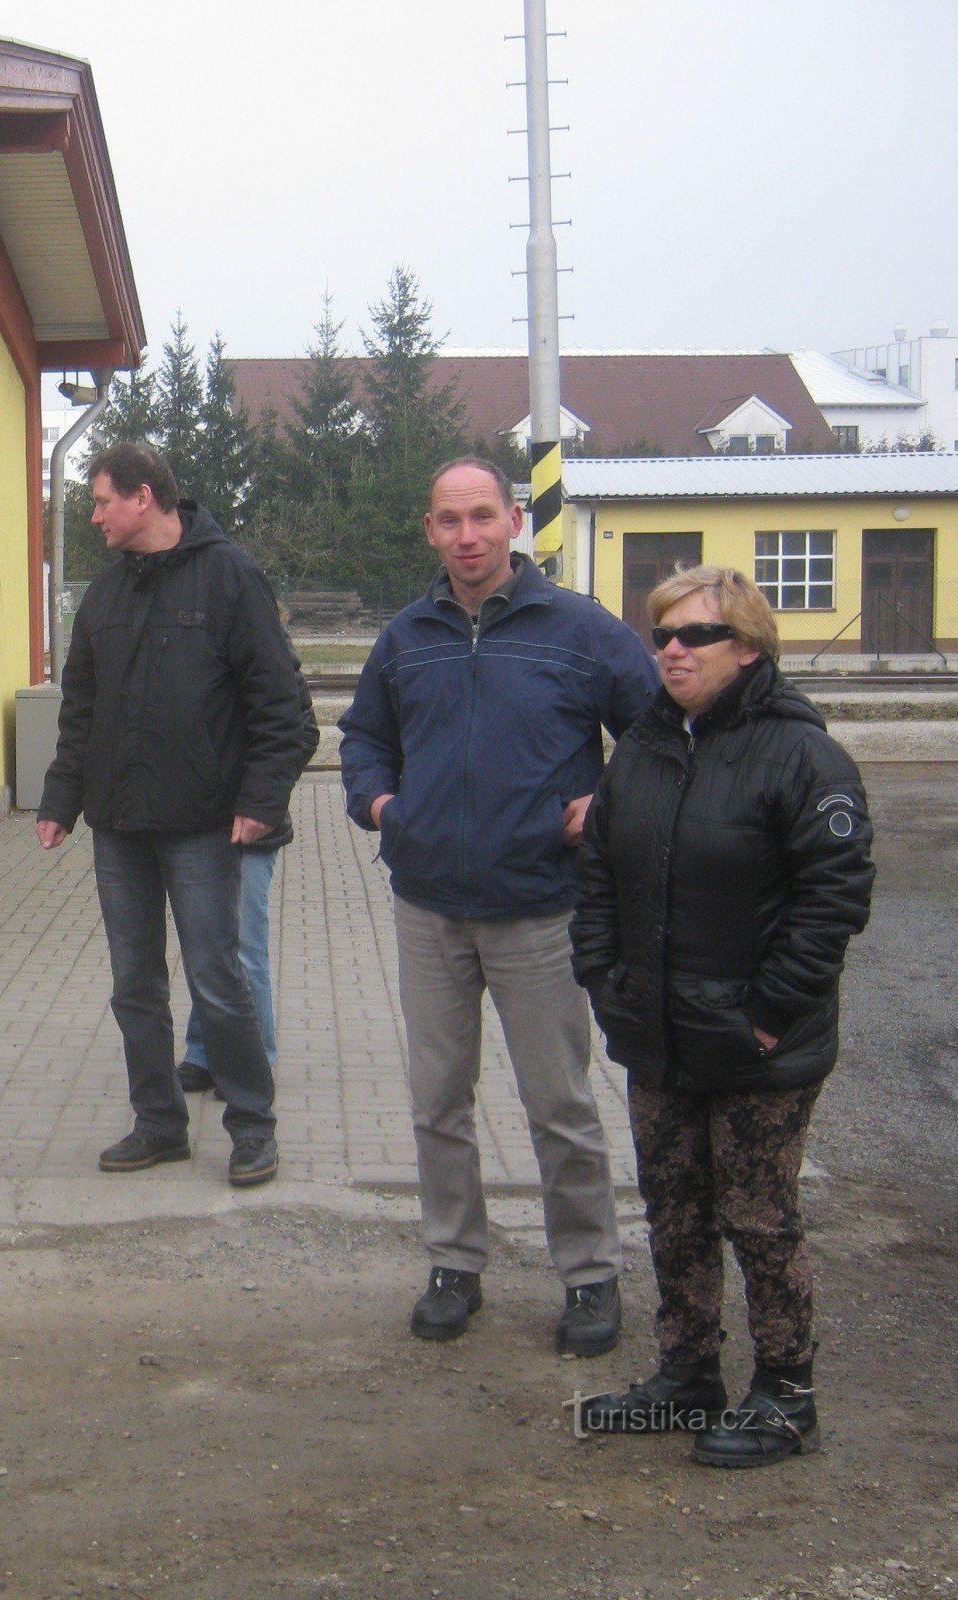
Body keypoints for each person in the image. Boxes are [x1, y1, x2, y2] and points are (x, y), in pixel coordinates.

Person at [339, 456, 656, 1355]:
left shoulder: (580, 630)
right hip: (429, 907)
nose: (466, 536)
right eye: (449, 520)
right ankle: (453, 1263)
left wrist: (608, 805)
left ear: (513, 521)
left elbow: (657, 734)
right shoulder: (407, 636)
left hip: (540, 909)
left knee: (557, 1102)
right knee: (437, 1100)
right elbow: (364, 735)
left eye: (482, 516)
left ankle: (590, 1275)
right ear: (430, 530)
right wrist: (379, 804)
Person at [572, 567, 872, 1467]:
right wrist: (605, 979)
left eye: (694, 635)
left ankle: (786, 1394)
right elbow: (598, 876)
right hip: (658, 1036)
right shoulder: (645, 748)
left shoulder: (802, 756)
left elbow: (834, 898)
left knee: (757, 1215)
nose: (670, 649)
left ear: (747, 648)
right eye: (661, 633)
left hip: (756, 1044)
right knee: (673, 1208)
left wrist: (770, 1014)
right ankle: (685, 1374)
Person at [36, 442, 316, 1187]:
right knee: (134, 986)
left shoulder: (230, 576)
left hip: (201, 824)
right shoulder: (102, 597)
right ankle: (158, 1125)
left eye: (99, 501)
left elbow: (278, 704)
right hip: (119, 827)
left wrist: (261, 802)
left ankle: (252, 1128)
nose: (92, 516)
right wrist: (60, 801)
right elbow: (80, 711)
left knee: (217, 979)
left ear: (142, 498)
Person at [176, 681, 319, 1095]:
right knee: (209, 943)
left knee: (243, 943)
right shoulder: (205, 639)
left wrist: (261, 796)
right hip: (202, 821)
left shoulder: (267, 645)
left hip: (253, 825)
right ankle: (203, 1053)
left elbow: (304, 734)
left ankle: (254, 1059)